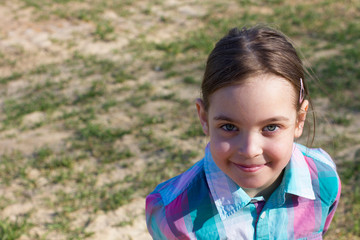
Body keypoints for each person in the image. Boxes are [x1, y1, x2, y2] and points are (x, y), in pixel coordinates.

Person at [145, 25, 341, 239]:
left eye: (271, 127)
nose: (249, 150)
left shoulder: (323, 179)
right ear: (204, 117)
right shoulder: (171, 214)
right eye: (229, 127)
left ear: (299, 120)